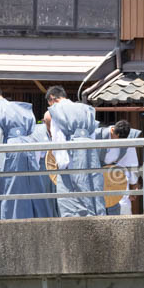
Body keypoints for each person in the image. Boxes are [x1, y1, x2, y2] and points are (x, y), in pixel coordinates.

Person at [0, 84, 45, 220]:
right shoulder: (23, 108)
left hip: (9, 154)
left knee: (9, 198)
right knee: (32, 194)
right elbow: (33, 134)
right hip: (29, 151)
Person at [48, 87, 106, 217]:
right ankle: (97, 215)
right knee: (93, 182)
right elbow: (93, 135)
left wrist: (61, 163)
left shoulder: (57, 110)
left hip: (71, 151)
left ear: (52, 98)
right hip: (90, 151)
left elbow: (58, 138)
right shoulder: (86, 108)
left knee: (71, 190)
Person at [94, 119, 141, 215]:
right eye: (117, 138)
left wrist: (134, 185)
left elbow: (132, 164)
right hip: (97, 175)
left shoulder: (127, 140)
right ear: (112, 131)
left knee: (122, 205)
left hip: (116, 177)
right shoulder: (97, 135)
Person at [25, 111, 60, 219]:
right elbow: (34, 157)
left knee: (61, 198)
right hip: (43, 167)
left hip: (60, 166)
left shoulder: (61, 130)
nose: (51, 126)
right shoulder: (36, 131)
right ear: (44, 121)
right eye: (48, 123)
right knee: (45, 199)